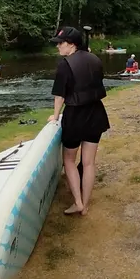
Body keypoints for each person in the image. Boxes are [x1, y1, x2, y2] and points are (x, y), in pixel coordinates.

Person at [48, 26, 110, 217]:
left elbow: (60, 95)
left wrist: (55, 115)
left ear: (72, 44)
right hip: (96, 113)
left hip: (75, 115)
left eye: (61, 43)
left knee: (68, 159)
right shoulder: (95, 59)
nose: (58, 47)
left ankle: (78, 203)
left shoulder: (65, 65)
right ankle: (86, 205)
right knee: (89, 162)